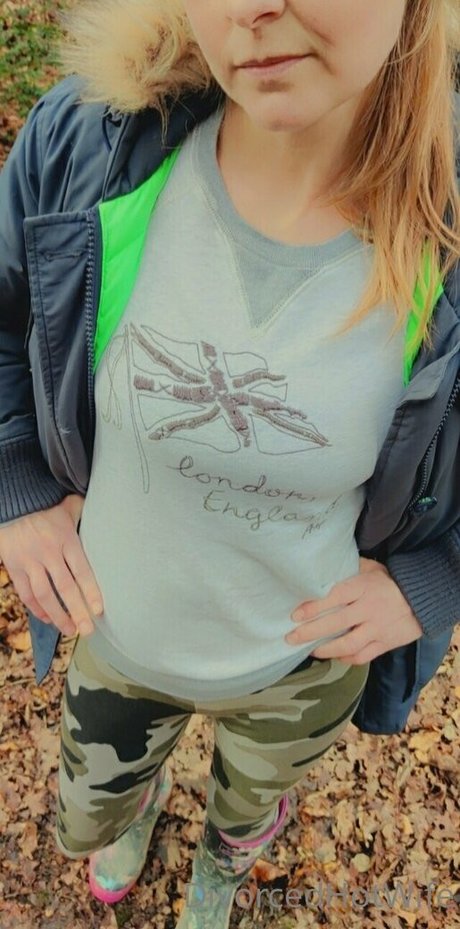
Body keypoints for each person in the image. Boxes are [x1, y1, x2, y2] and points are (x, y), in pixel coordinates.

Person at [0, 0, 459, 925]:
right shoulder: (86, 144)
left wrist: (437, 574)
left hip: (301, 669)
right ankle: (133, 804)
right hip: (116, 637)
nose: (251, 8)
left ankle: (228, 856)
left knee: (249, 807)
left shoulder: (442, 226)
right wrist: (14, 474)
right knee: (88, 812)